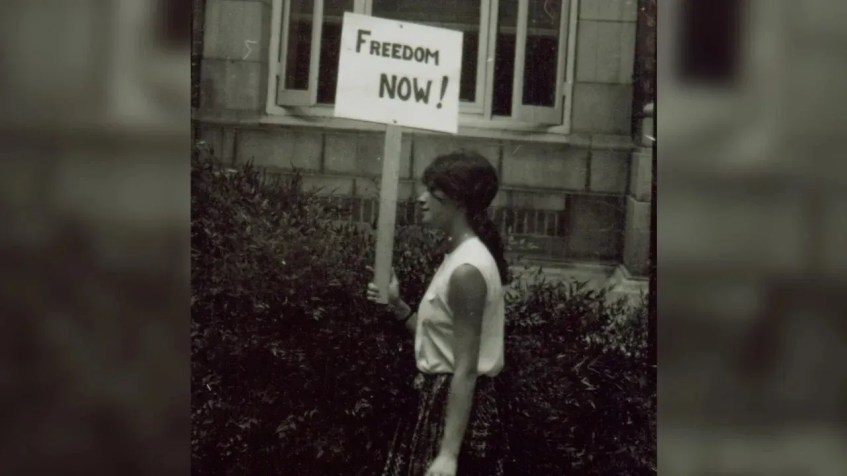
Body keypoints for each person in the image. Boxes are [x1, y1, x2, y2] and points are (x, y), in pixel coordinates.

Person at [367, 150, 510, 476]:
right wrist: (398, 306)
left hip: (452, 416)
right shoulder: (457, 256)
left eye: (433, 192)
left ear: (458, 201)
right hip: (436, 404)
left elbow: (465, 369)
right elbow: (442, 343)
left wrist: (448, 454)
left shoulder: (467, 269)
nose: (421, 199)